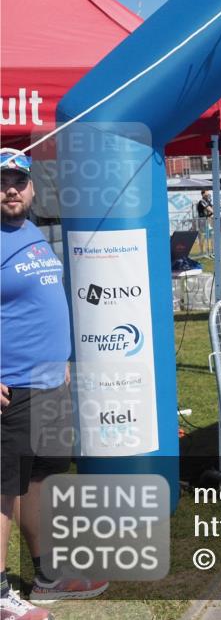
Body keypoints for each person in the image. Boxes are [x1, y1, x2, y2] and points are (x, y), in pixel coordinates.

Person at [1, 149, 109, 618]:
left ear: (32, 188)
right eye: (3, 181)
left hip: (50, 382)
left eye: (18, 181)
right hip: (13, 388)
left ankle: (48, 575)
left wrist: (60, 357)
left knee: (39, 478)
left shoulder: (32, 234)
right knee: (5, 487)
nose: (11, 189)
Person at [196, 189, 213, 255]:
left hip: (209, 220)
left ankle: (210, 251)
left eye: (208, 194)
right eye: (206, 194)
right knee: (202, 236)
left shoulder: (208, 201)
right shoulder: (202, 201)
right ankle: (202, 251)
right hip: (202, 220)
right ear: (203, 194)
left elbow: (212, 209)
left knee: (211, 235)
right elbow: (211, 210)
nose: (208, 195)